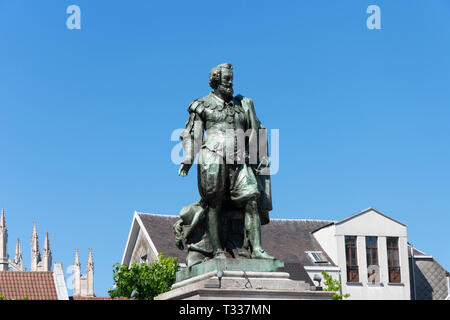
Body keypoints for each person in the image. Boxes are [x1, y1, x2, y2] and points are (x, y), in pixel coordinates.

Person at [178, 63, 274, 260]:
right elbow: (192, 133)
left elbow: (256, 131)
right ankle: (218, 250)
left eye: (232, 79)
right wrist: (188, 158)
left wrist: (257, 152)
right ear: (216, 81)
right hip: (213, 158)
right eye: (227, 79)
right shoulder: (202, 104)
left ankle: (256, 249)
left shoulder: (242, 105)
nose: (230, 83)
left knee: (251, 200)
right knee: (215, 205)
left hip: (240, 161)